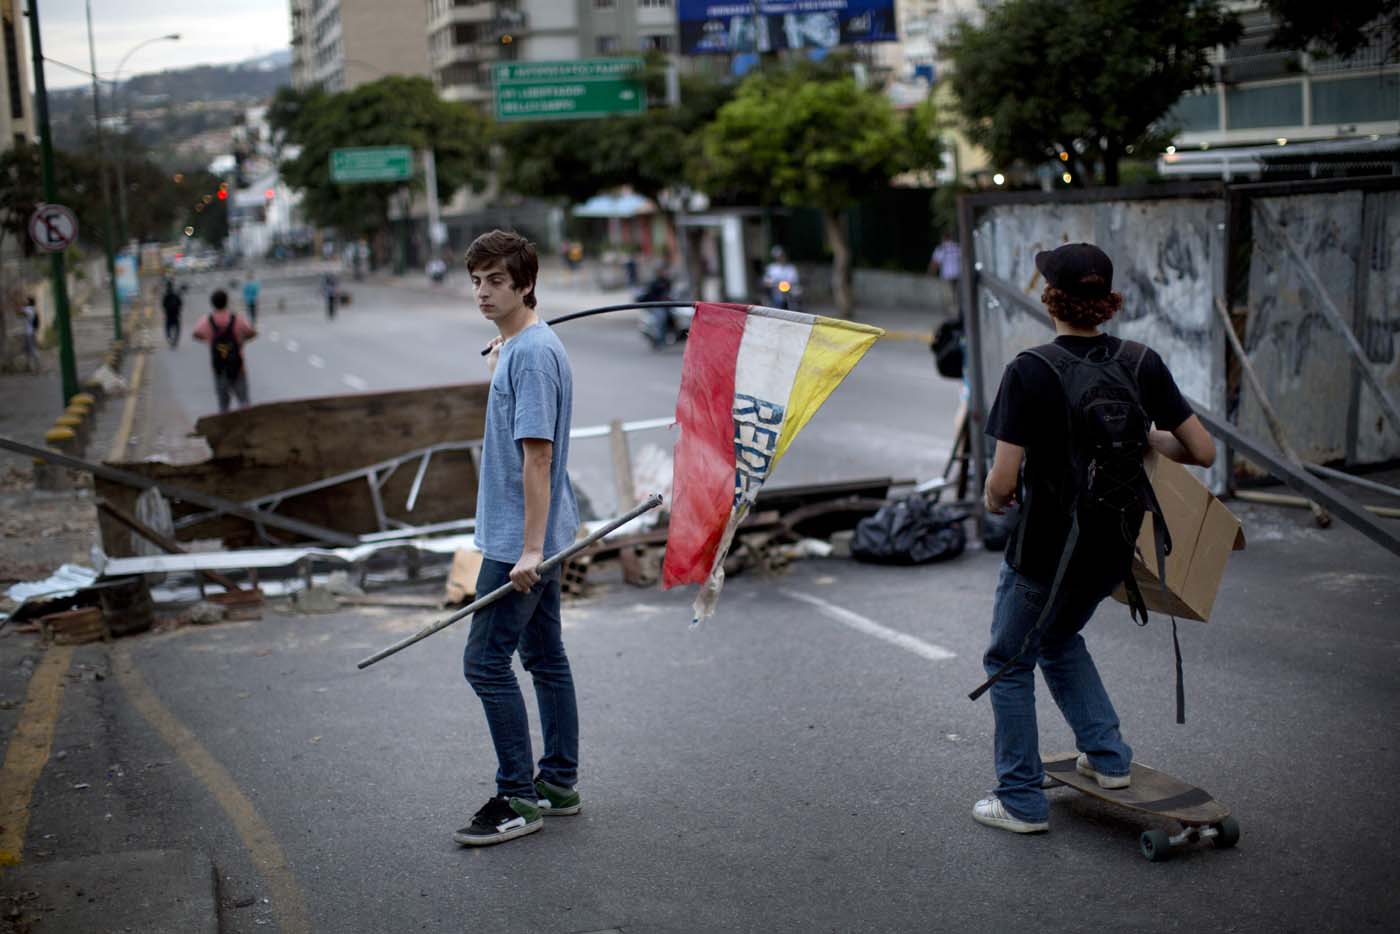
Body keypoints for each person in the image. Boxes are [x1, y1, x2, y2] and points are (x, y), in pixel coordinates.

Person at [974, 242, 1216, 835]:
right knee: (1058, 639)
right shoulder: (1141, 361)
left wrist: (992, 496)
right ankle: (1108, 761)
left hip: (1042, 554)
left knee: (1009, 661)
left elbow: (1003, 483)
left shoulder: (1029, 370)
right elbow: (1202, 452)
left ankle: (1022, 802)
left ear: (1049, 297)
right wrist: (1150, 441)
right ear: (1106, 301)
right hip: (1114, 549)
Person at [455, 230, 582, 847]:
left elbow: (538, 456)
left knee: (484, 662)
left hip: (521, 542)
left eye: (496, 281)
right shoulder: (523, 347)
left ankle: (517, 796)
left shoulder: (530, 355)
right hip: (545, 531)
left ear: (525, 284)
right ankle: (557, 783)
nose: (483, 291)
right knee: (544, 657)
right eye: (477, 280)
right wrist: (501, 359)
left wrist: (529, 551)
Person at [191, 289, 257, 414]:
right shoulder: (236, 318)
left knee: (223, 404)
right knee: (244, 401)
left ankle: (225, 431)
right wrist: (241, 342)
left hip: (219, 367)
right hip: (238, 366)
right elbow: (252, 332)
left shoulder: (207, 320)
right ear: (227, 302)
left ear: (212, 303)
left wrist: (209, 340)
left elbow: (196, 334)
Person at [929, 234, 963, 318]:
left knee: (948, 294)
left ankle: (952, 312)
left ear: (944, 239)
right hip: (958, 274)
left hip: (947, 275)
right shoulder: (957, 247)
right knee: (957, 293)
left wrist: (930, 273)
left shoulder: (941, 249)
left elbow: (935, 263)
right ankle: (958, 309)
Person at [19, 296, 40, 372]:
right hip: (31, 332)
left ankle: (37, 366)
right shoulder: (33, 309)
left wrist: (19, 305)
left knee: (32, 349)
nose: (25, 302)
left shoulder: (29, 310)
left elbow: (20, 312)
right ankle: (29, 366)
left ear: (29, 302)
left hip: (29, 333)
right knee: (27, 350)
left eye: (26, 300)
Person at [161, 280, 184, 348]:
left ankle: (169, 338)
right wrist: (178, 309)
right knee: (177, 327)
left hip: (168, 314)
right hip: (176, 314)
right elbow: (180, 303)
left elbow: (163, 304)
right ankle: (175, 340)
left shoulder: (166, 295)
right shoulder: (175, 294)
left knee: (167, 327)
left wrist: (166, 310)